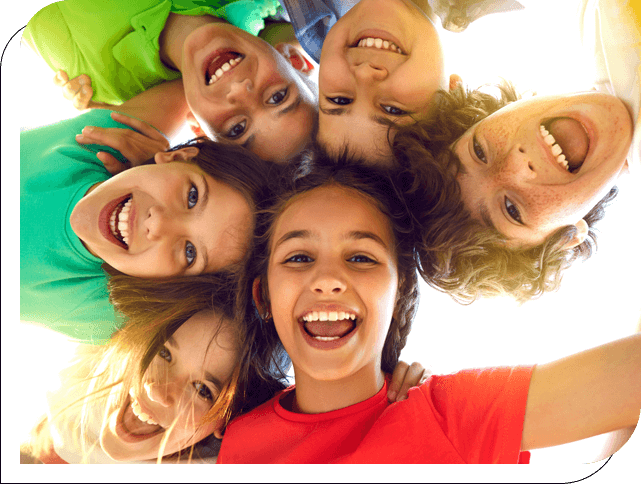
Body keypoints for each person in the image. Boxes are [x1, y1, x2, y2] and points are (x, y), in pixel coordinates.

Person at [215, 153, 640, 463]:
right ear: (263, 297)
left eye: (361, 257)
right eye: (298, 258)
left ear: (400, 296)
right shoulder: (241, 443)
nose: (327, 279)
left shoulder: (452, 413)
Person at [20, 106, 278, 344]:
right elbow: (184, 73)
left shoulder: (108, 318)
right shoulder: (109, 137)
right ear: (178, 156)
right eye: (192, 196)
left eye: (190, 253)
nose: (158, 224)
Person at [22, 0, 318, 162]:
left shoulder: (94, 80)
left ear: (198, 127)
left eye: (237, 127)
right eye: (278, 96)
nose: (240, 90)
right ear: (295, 59)